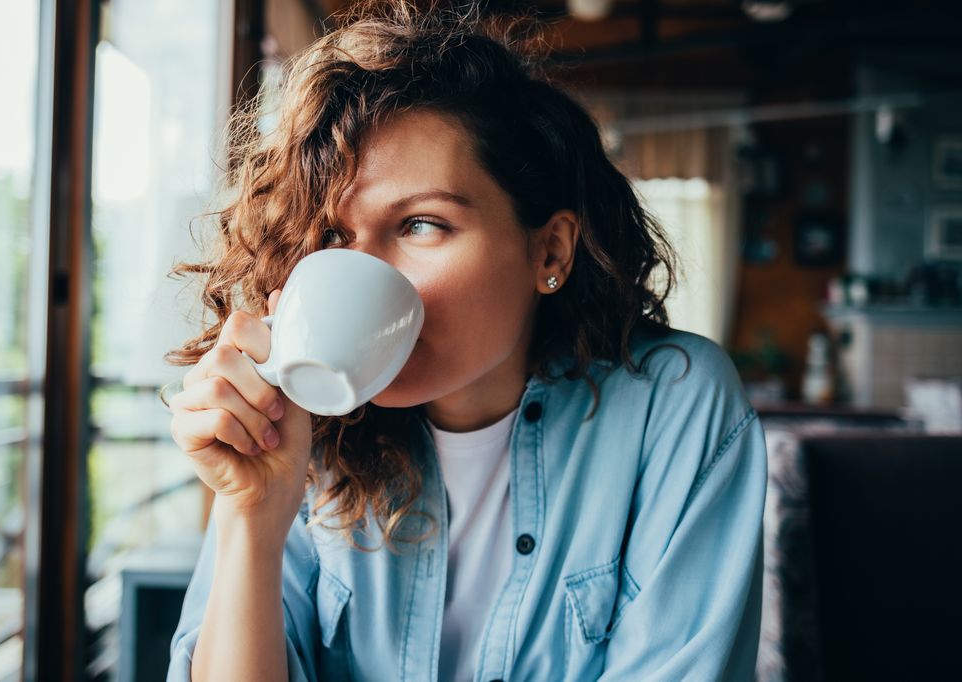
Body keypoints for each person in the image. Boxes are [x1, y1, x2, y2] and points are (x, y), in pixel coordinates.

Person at [164, 1, 767, 680]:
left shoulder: (673, 406)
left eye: (422, 224)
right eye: (334, 237)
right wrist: (252, 517)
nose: (361, 271)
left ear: (551, 251)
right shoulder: (301, 434)